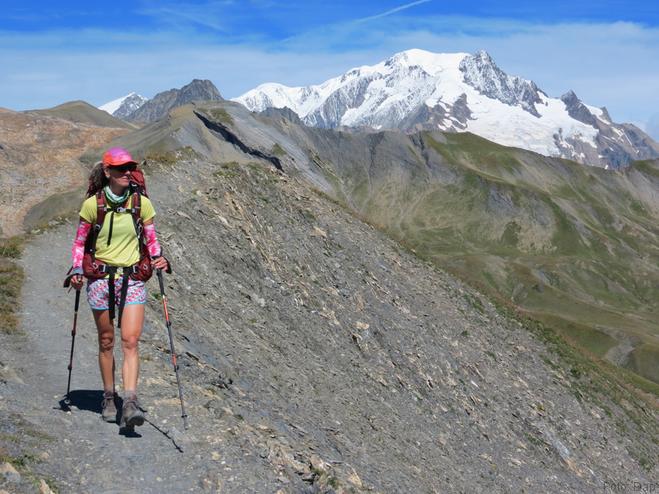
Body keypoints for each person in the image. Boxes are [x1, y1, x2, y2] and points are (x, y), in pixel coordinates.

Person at [67, 147, 169, 428]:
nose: (128, 173)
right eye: (122, 169)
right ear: (108, 172)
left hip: (132, 278)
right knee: (107, 341)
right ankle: (109, 397)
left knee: (131, 341)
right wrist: (77, 270)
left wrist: (159, 257)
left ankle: (131, 402)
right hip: (100, 279)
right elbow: (79, 243)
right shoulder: (92, 205)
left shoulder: (141, 204)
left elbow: (151, 239)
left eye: (130, 168)